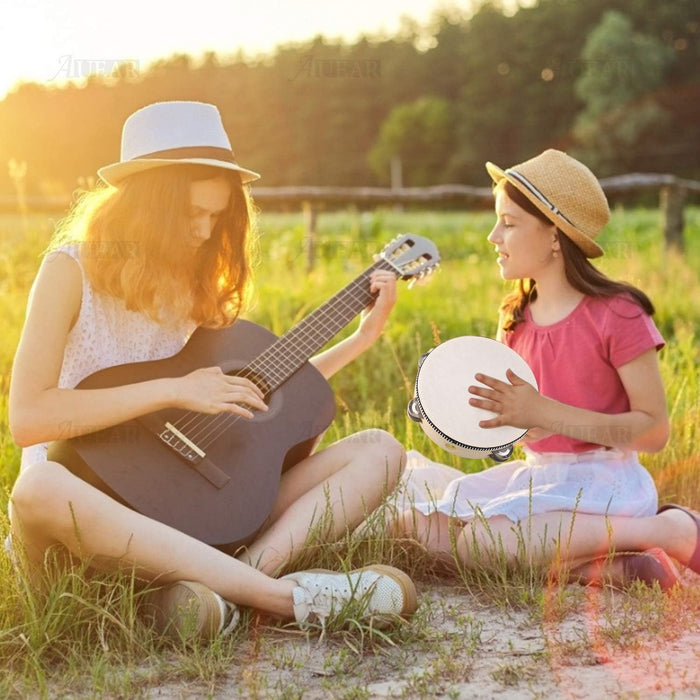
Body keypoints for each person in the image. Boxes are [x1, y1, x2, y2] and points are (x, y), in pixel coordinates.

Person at [7, 100, 416, 641]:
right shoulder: (68, 271)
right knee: (37, 487)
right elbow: (29, 417)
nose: (204, 231)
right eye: (191, 214)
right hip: (86, 512)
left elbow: (248, 393)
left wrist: (363, 339)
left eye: (215, 216)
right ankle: (285, 598)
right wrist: (174, 390)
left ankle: (225, 590)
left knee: (380, 450)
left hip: (186, 505)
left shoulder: (194, 282)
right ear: (146, 206)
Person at [394, 149, 700, 591]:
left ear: (555, 235)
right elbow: (528, 432)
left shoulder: (619, 313)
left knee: (481, 542)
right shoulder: (515, 317)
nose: (493, 236)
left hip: (605, 487)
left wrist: (542, 412)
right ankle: (606, 568)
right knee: (414, 529)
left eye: (509, 223)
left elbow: (654, 433)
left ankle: (664, 531)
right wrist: (475, 419)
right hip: (542, 479)